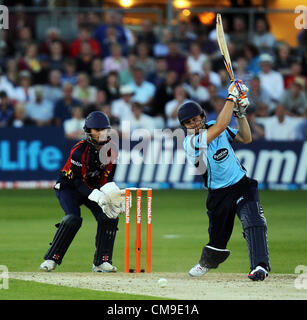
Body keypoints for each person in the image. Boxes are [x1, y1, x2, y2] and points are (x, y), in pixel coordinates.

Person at [177, 80, 271, 281]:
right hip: (218, 194)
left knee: (254, 221)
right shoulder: (190, 142)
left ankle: (260, 267)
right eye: (189, 122)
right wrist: (232, 96)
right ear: (184, 126)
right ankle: (206, 263)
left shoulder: (213, 127)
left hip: (241, 184)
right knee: (217, 243)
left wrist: (241, 114)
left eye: (196, 119)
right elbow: (221, 126)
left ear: (202, 116)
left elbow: (246, 138)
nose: (194, 124)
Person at [40, 111, 123, 272]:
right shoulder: (79, 150)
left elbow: (107, 179)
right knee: (73, 219)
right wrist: (97, 196)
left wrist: (112, 195)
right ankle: (51, 259)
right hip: (69, 188)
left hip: (92, 189)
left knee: (110, 217)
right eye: (96, 130)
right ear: (88, 132)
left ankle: (101, 262)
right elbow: (78, 182)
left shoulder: (112, 150)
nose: (101, 133)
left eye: (103, 129)